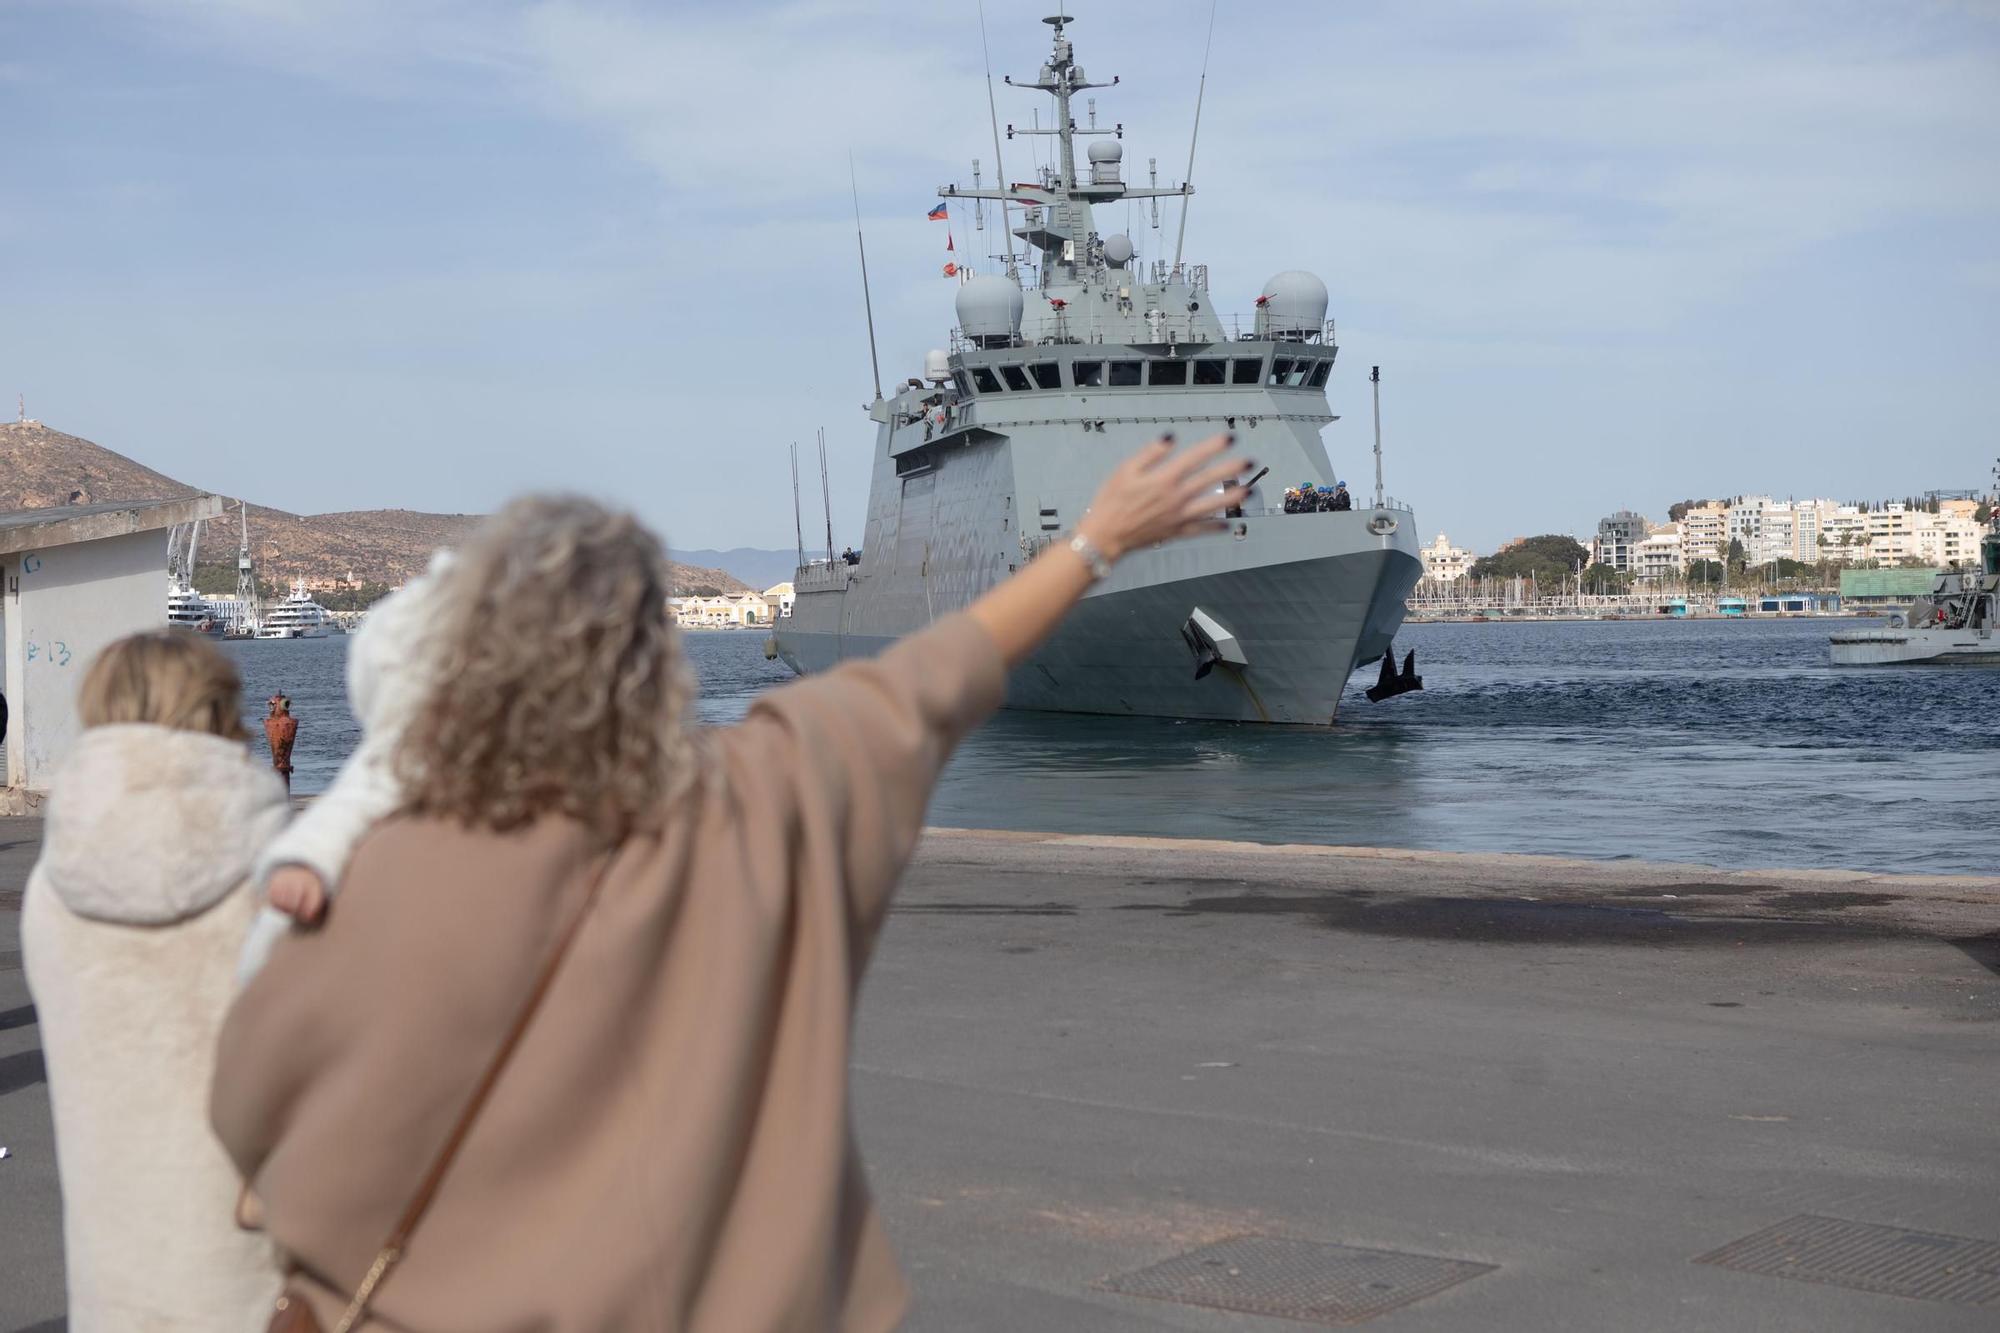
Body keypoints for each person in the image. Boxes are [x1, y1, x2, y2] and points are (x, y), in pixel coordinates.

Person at [210, 435, 1252, 1333]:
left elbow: (247, 1105)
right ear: (653, 658)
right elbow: (936, 674)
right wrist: (1094, 541)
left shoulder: (393, 861)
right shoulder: (762, 800)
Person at [21, 631, 297, 1330]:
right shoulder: (279, 868)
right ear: (220, 708)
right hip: (260, 1274)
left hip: (111, 1275)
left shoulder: (55, 882)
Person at [263, 693, 298, 793]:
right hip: (282, 765)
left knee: (280, 763)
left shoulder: (271, 722)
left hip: (280, 765)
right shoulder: (290, 722)